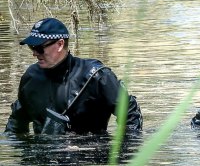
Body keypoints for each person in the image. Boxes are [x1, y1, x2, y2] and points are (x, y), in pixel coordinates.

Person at [5, 17, 143, 135]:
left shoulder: (96, 75)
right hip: (44, 160)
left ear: (60, 44)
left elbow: (130, 114)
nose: (34, 53)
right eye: (31, 47)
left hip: (90, 158)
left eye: (39, 48)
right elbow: (17, 123)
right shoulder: (30, 78)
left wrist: (123, 153)